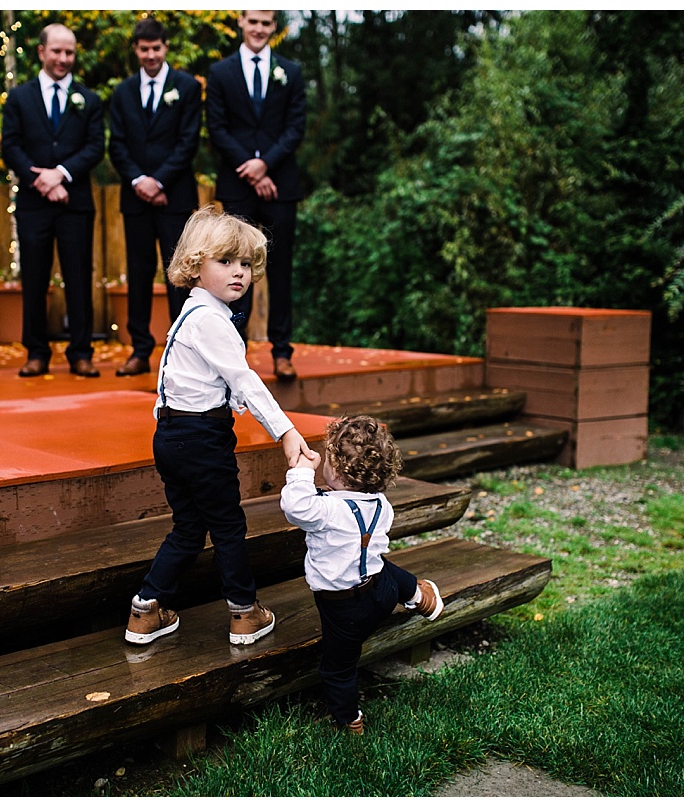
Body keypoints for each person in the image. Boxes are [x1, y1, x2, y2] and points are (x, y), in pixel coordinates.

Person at [125, 206, 317, 647]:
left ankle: (146, 609)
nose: (240, 273)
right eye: (225, 262)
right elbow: (244, 380)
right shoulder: (212, 321)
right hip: (201, 440)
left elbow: (171, 379)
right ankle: (244, 612)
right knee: (228, 527)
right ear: (194, 266)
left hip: (171, 437)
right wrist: (285, 432)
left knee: (190, 527)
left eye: (246, 264)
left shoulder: (192, 315)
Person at [280, 414, 445, 735]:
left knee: (337, 668)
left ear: (337, 470)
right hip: (380, 591)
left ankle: (349, 719)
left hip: (344, 609)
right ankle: (418, 596)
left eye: (328, 458)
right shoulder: (382, 505)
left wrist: (300, 473)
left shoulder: (324, 511)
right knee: (384, 568)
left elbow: (295, 507)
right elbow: (344, 504)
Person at [205, 10, 306, 381]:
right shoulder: (220, 73)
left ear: (273, 28)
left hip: (280, 185)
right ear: (241, 24)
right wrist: (249, 167)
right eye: (253, 22)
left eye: (266, 23)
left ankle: (282, 352)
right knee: (235, 270)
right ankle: (235, 351)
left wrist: (265, 166)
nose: (259, 29)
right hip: (237, 185)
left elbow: (296, 127)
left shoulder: (290, 72)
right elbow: (217, 128)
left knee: (280, 271)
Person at [1, 23, 104, 377]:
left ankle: (81, 352)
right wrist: (39, 180)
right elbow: (10, 146)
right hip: (34, 203)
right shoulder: (19, 97)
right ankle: (36, 352)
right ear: (42, 52)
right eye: (57, 51)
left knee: (78, 278)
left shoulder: (88, 99)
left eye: (69, 52)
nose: (63, 58)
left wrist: (60, 173)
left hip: (74, 203)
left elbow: (94, 147)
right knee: (34, 278)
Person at [107, 18, 202, 377]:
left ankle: (183, 350)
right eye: (143, 49)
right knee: (139, 272)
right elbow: (116, 144)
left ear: (165, 48)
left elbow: (188, 141)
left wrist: (158, 181)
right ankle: (139, 348)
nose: (150, 55)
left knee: (179, 274)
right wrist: (139, 181)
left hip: (174, 197)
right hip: (136, 199)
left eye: (156, 48)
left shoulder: (187, 87)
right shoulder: (123, 92)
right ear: (136, 50)